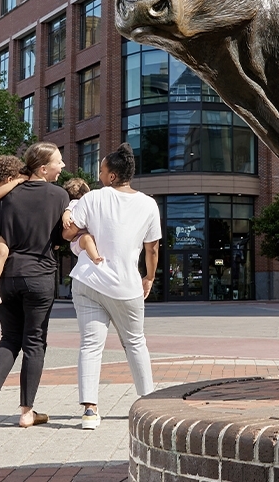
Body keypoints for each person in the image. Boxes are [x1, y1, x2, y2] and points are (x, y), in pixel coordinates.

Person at [65, 143, 161, 430]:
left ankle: (90, 412)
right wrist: (150, 277)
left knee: (91, 345)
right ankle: (149, 404)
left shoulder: (93, 198)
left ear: (112, 177)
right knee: (135, 343)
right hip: (126, 285)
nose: (99, 174)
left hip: (88, 280)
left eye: (102, 170)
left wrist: (77, 227)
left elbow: (68, 231)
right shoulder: (148, 204)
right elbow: (152, 249)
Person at [0, 142, 70, 431]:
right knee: (34, 343)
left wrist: (6, 251)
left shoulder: (5, 195)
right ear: (43, 168)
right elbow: (62, 238)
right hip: (40, 275)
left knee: (9, 338)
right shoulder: (59, 196)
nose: (63, 166)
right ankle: (27, 411)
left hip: (8, 277)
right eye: (59, 162)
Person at [0, 154, 29, 305]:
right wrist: (19, 180)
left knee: (5, 254)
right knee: (2, 252)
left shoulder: (12, 195)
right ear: (10, 180)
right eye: (16, 181)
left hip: (5, 235)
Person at [61, 178, 103, 266]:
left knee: (89, 238)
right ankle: (95, 258)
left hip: (82, 240)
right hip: (77, 240)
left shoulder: (86, 204)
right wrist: (66, 219)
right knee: (87, 238)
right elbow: (68, 210)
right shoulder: (76, 202)